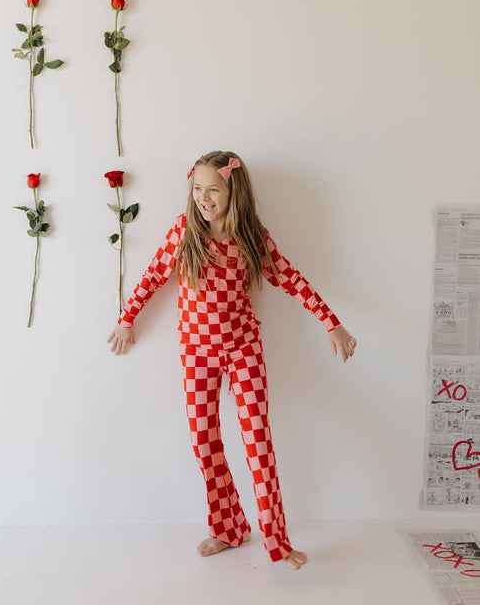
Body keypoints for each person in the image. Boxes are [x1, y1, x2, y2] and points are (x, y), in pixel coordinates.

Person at [107, 151, 357, 571]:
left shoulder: (251, 237)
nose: (204, 197)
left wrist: (331, 322)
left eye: (214, 189)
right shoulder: (185, 232)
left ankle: (277, 542)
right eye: (198, 188)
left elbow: (290, 278)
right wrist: (126, 320)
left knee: (258, 443)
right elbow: (152, 276)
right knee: (205, 444)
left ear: (233, 191)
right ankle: (228, 528)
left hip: (244, 350)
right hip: (197, 354)